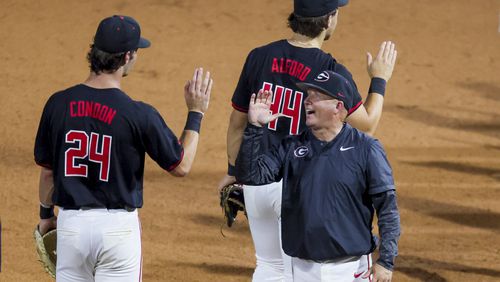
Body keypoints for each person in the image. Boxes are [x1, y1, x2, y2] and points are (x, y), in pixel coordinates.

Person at [218, 0, 397, 280]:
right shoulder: (329, 69)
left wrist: (233, 171)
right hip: (301, 187)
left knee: (268, 265)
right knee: (297, 269)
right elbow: (368, 124)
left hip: (259, 179)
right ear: (328, 20)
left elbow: (238, 122)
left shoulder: (259, 56)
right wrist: (380, 79)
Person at [34, 15, 213, 281]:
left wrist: (46, 216)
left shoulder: (57, 104)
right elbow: (181, 165)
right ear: (127, 57)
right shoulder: (138, 114)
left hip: (72, 228)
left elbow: (48, 174)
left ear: (94, 51)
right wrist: (196, 112)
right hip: (117, 231)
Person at [235, 70, 401, 282]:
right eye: (307, 94)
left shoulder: (366, 149)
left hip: (352, 270)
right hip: (301, 269)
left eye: (317, 96)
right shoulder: (291, 146)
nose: (307, 101)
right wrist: (255, 128)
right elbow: (250, 176)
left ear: (338, 107)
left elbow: (387, 208)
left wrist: (386, 261)